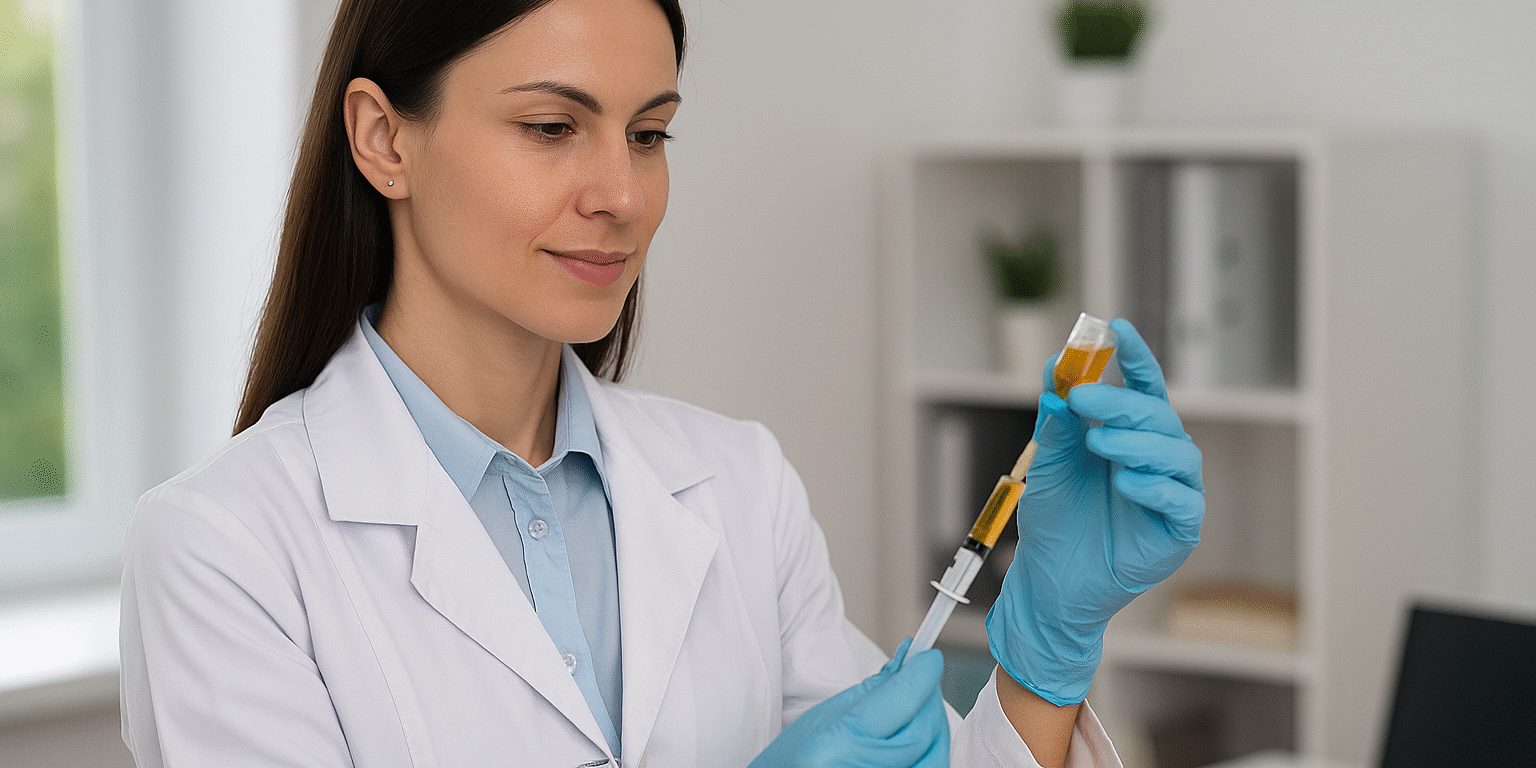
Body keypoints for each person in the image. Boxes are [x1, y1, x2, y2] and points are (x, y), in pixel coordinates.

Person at [118, 0, 1204, 766]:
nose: (622, 194)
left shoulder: (736, 484)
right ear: (383, 138)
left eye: (649, 134)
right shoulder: (225, 549)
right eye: (552, 128)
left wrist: (1044, 661)